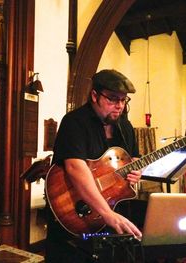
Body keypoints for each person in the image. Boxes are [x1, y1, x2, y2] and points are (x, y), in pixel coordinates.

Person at [45, 69, 142, 263]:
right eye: (113, 99)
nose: (119, 106)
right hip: (73, 210)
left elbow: (133, 159)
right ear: (95, 95)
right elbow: (74, 167)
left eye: (124, 100)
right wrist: (107, 213)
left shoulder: (126, 127)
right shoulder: (74, 122)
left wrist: (137, 172)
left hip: (113, 210)